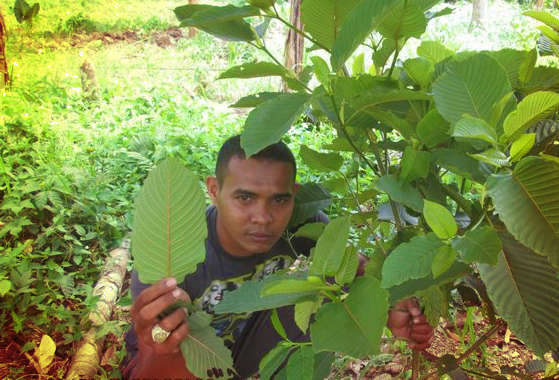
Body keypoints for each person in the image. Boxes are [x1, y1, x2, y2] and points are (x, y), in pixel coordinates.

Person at [122, 135, 433, 380]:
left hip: (240, 353)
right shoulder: (172, 255)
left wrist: (387, 311)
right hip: (173, 361)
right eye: (245, 197)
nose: (263, 218)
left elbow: (356, 269)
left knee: (325, 280)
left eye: (279, 200)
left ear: (293, 195)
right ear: (214, 190)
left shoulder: (303, 227)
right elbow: (152, 366)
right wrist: (160, 350)